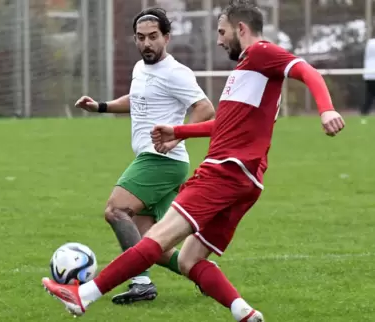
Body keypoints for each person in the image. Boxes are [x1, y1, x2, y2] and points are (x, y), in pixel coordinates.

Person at [41, 1, 345, 321]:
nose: (218, 39)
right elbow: (222, 125)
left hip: (224, 171)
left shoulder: (260, 53)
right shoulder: (247, 72)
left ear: (241, 29)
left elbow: (306, 69)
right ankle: (243, 311)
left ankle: (83, 296)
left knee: (155, 237)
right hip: (247, 179)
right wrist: (179, 130)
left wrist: (326, 108)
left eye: (222, 31)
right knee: (188, 260)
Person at [73, 7, 215, 305]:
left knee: (115, 211)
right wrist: (100, 106)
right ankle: (205, 274)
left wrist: (179, 133)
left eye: (153, 37)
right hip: (160, 161)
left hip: (161, 160)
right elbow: (136, 100)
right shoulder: (141, 69)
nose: (146, 43)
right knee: (152, 245)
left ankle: (140, 282)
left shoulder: (176, 72)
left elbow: (205, 108)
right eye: (140, 37)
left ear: (166, 37)